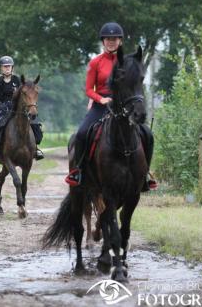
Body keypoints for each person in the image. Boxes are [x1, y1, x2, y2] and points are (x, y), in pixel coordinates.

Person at [65, 22, 157, 191]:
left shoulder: (127, 62)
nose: (111, 41)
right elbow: (88, 89)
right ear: (103, 41)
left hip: (124, 104)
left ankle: (145, 174)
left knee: (148, 134)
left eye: (115, 39)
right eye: (108, 39)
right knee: (82, 133)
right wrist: (100, 99)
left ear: (120, 41)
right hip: (102, 104)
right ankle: (78, 171)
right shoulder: (95, 63)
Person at [0, 56, 44, 162]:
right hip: (0, 110)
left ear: (12, 68)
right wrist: (0, 105)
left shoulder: (17, 80)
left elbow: (24, 94)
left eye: (9, 66)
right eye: (5, 66)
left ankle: (35, 148)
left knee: (34, 124)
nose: (7, 68)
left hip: (16, 108)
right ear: (1, 68)